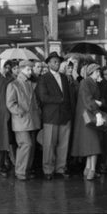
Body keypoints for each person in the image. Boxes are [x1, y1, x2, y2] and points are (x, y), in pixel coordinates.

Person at [37, 52, 74, 180]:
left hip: (65, 115)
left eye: (58, 61)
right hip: (51, 116)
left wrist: (69, 111)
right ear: (48, 63)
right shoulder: (44, 78)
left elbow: (69, 97)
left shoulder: (64, 77)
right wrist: (60, 99)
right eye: (54, 61)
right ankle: (48, 169)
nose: (56, 64)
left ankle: (60, 168)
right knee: (49, 145)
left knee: (63, 144)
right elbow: (43, 97)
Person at [6, 60, 42, 181]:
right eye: (28, 69)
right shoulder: (13, 85)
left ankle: (25, 170)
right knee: (26, 145)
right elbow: (10, 104)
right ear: (21, 70)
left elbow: (35, 102)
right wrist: (20, 111)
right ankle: (20, 171)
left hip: (31, 120)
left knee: (29, 147)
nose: (30, 71)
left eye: (31, 69)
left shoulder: (30, 84)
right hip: (21, 121)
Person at [71, 63, 105, 180]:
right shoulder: (87, 82)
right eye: (96, 72)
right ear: (91, 73)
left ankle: (88, 169)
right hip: (89, 115)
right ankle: (92, 170)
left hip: (85, 116)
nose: (98, 74)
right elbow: (88, 100)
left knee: (90, 144)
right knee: (94, 144)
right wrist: (97, 112)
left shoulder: (87, 82)